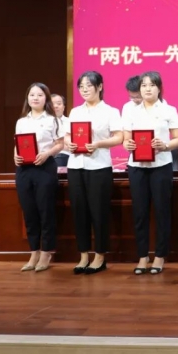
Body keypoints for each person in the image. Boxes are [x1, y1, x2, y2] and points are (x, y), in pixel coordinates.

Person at [123, 71, 178, 275]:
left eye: (151, 85)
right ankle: (142, 256)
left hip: (161, 166)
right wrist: (127, 144)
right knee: (140, 213)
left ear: (159, 88)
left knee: (162, 211)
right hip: (137, 167)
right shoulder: (129, 110)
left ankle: (159, 256)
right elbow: (126, 139)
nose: (147, 89)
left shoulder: (169, 110)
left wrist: (165, 146)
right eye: (144, 85)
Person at [65, 71, 123, 275]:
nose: (84, 89)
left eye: (89, 85)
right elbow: (67, 136)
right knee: (79, 211)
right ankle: (83, 256)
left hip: (99, 167)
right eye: (81, 86)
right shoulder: (75, 112)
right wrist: (69, 144)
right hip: (75, 166)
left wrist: (98, 143)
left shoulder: (111, 111)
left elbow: (119, 137)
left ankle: (99, 256)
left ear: (100, 87)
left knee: (99, 212)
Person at [14, 83, 65, 272]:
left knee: (46, 211)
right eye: (32, 95)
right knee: (29, 212)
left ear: (46, 98)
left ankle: (46, 252)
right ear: (27, 98)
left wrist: (47, 154)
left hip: (44, 167)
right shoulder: (22, 121)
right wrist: (15, 155)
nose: (35, 98)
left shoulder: (53, 120)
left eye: (40, 95)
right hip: (24, 169)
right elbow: (17, 143)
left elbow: (60, 144)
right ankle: (33, 251)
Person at [51, 93, 71, 167]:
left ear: (63, 107)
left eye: (59, 104)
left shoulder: (70, 121)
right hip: (51, 156)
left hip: (69, 155)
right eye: (52, 104)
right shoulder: (43, 123)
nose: (55, 106)